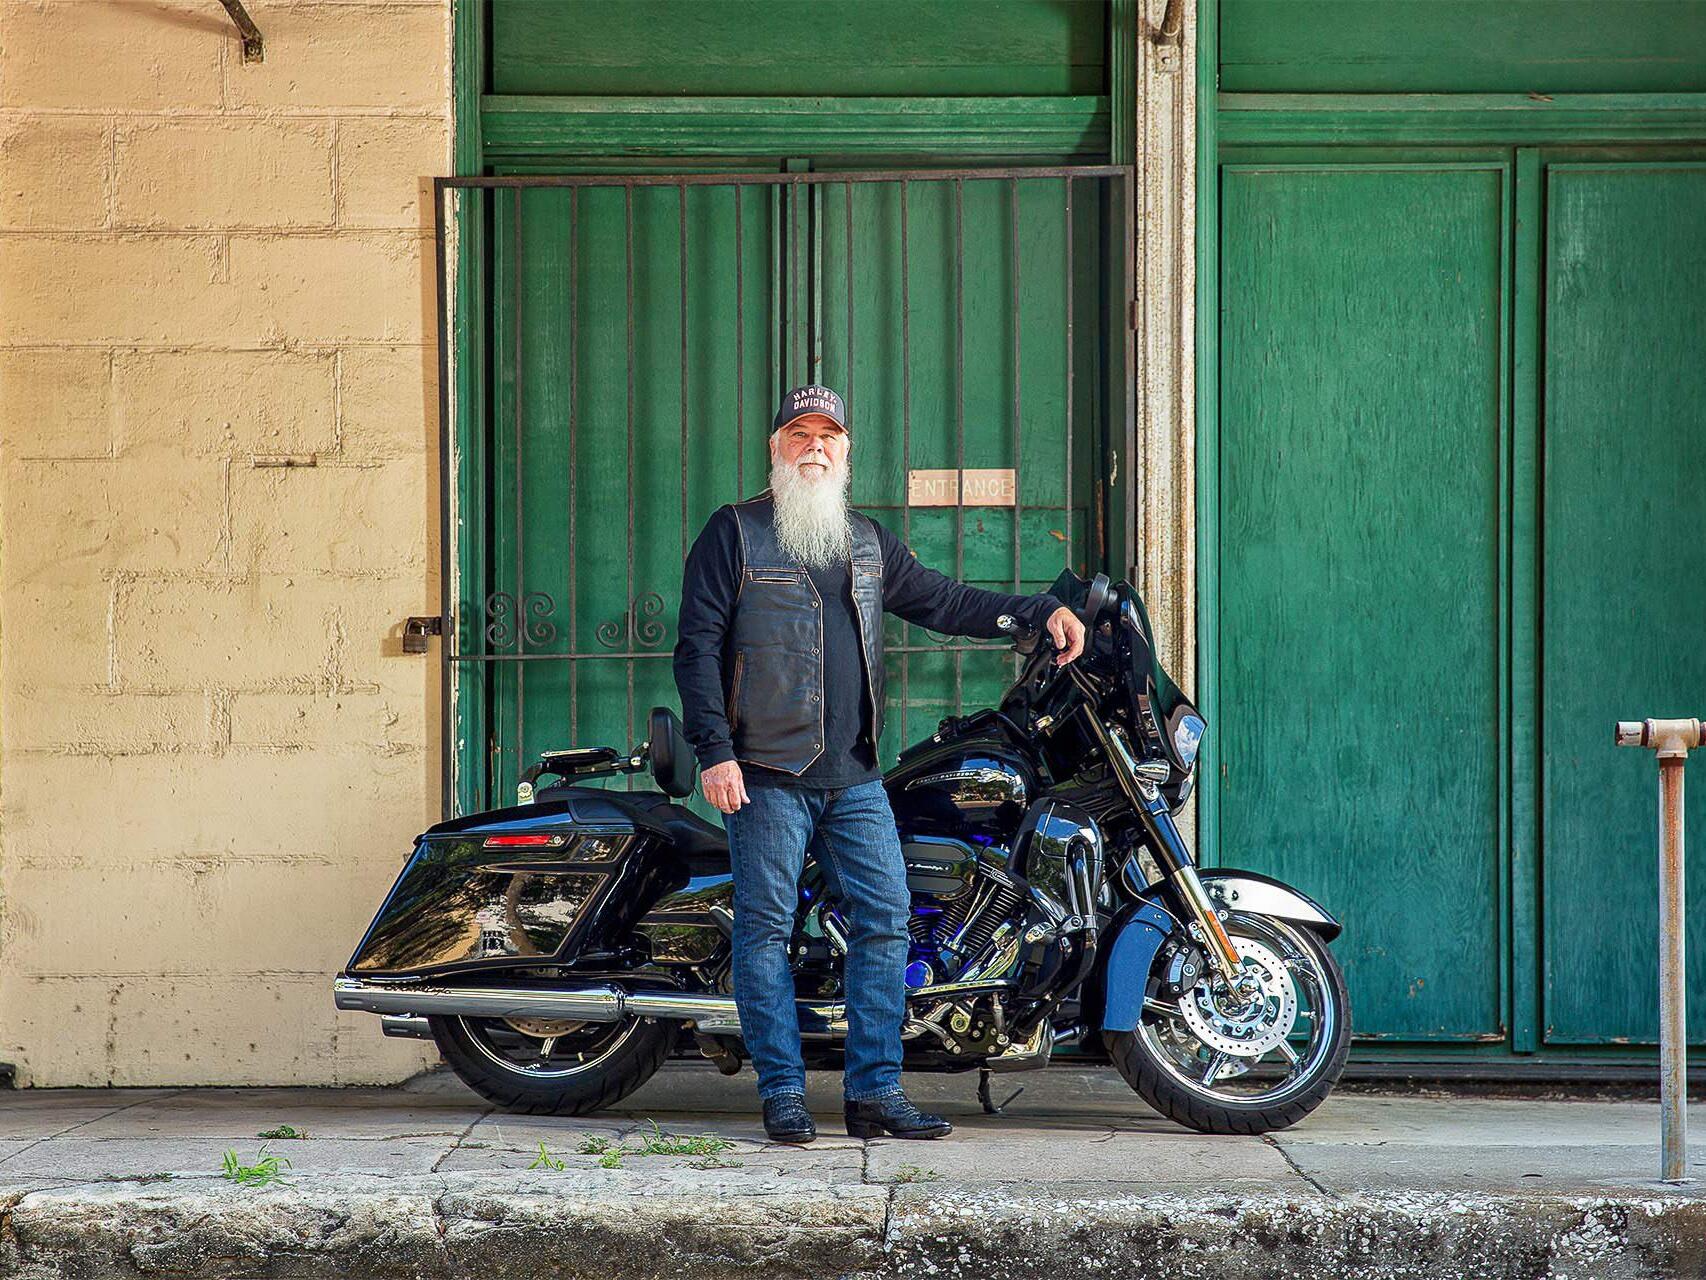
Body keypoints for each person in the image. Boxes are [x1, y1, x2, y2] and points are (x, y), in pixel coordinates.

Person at [671, 384, 1086, 1144]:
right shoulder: (734, 532)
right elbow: (696, 648)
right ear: (775, 448)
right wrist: (715, 752)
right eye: (800, 434)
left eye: (828, 436)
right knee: (764, 931)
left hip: (855, 776)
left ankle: (874, 1091)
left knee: (886, 921)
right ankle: (783, 1092)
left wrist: (1036, 611)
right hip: (765, 773)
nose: (815, 447)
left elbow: (945, 601)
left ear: (846, 452)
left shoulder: (866, 541)